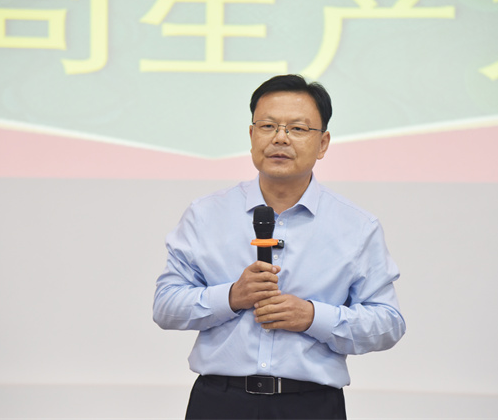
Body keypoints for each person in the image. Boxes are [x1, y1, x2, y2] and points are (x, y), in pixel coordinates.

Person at [153, 74, 406, 419]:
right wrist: (231, 296)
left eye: (297, 129)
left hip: (311, 404)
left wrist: (313, 317)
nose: (280, 138)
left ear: (323, 143)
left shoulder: (357, 227)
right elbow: (165, 306)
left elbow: (388, 323)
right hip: (219, 402)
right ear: (251, 136)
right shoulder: (206, 214)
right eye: (268, 126)